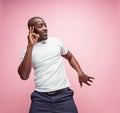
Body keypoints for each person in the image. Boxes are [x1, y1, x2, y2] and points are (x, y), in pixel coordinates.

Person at [18, 16, 94, 113]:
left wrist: (80, 72)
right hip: (40, 99)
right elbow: (24, 76)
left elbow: (69, 57)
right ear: (31, 29)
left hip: (64, 97)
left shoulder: (56, 42)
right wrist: (30, 47)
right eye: (40, 26)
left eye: (45, 25)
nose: (45, 28)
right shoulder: (27, 52)